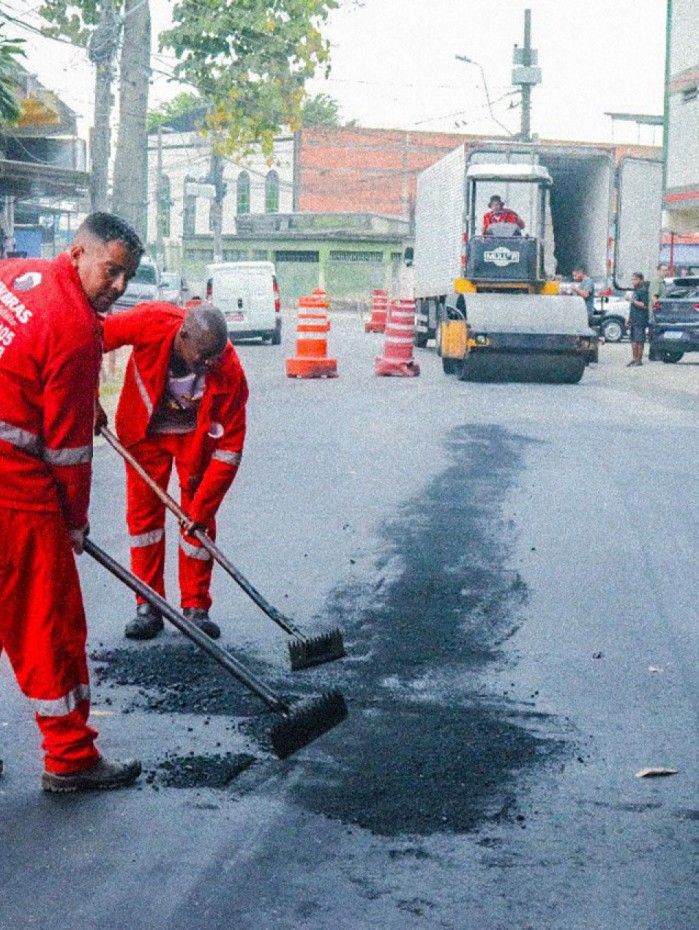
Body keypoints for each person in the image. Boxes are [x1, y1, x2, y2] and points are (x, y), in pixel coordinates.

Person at [0, 212, 144, 793]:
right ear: (79, 253)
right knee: (49, 626)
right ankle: (70, 758)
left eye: (129, 277)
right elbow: (66, 453)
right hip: (16, 496)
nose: (120, 287)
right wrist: (75, 525)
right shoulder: (76, 328)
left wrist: (82, 397)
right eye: (112, 271)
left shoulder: (14, 275)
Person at [102, 302, 248, 641]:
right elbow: (91, 337)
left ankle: (196, 607)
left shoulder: (228, 368)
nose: (208, 365)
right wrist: (90, 398)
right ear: (183, 336)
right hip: (144, 434)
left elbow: (230, 450)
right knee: (144, 522)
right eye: (202, 357)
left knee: (198, 522)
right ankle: (149, 606)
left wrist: (200, 510)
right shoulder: (151, 321)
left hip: (194, 442)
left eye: (214, 357)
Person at [626, 272, 650, 366]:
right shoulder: (635, 290)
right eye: (632, 279)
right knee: (633, 339)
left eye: (635, 279)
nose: (633, 281)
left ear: (641, 280)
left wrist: (631, 300)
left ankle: (639, 359)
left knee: (639, 340)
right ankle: (634, 358)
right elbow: (632, 306)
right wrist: (629, 318)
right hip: (633, 318)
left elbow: (645, 305)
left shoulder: (643, 291)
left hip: (640, 319)